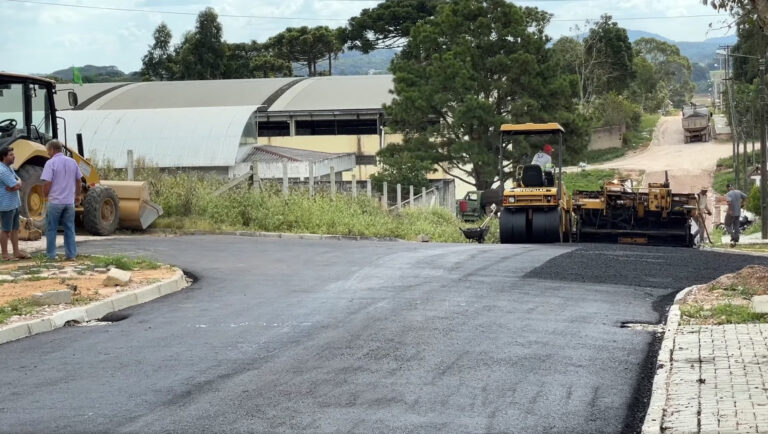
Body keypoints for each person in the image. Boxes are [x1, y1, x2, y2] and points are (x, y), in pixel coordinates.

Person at [41, 140, 82, 260]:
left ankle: (51, 255)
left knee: (51, 229)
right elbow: (79, 181)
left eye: (48, 151)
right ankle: (71, 255)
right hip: (69, 202)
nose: (48, 153)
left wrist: (45, 194)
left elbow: (47, 182)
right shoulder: (73, 162)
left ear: (52, 150)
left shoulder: (50, 163)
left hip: (55, 202)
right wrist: (77, 196)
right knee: (69, 228)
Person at [0, 146, 29, 260]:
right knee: (6, 230)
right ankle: (5, 254)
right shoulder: (2, 170)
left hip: (14, 203)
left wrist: (17, 184)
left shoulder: (9, 168)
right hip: (6, 205)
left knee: (15, 229)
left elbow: (18, 182)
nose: (14, 156)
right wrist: (16, 185)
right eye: (11, 155)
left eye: (13, 154)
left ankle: (16, 252)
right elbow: (15, 185)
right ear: (3, 157)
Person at [725, 183, 748, 247]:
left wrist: (729, 210)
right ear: (733, 187)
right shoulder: (739, 192)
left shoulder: (728, 194)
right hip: (738, 212)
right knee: (736, 225)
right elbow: (746, 197)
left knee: (727, 224)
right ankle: (737, 238)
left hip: (731, 213)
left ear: (727, 188)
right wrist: (742, 203)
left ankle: (732, 236)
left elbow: (729, 203)